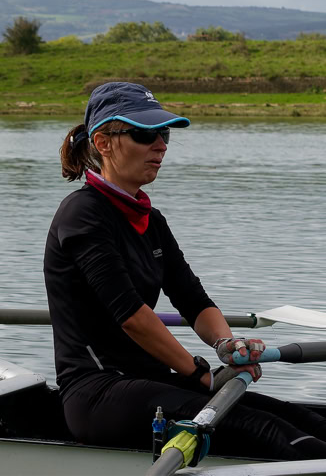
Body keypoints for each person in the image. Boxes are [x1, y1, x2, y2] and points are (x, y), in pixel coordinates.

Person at [43, 81, 326, 460]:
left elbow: (194, 301)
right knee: (269, 430)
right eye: (145, 134)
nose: (160, 145)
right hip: (98, 392)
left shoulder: (151, 220)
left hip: (149, 382)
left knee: (307, 421)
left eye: (164, 135)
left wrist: (227, 346)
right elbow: (132, 317)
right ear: (103, 142)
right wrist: (200, 375)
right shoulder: (81, 214)